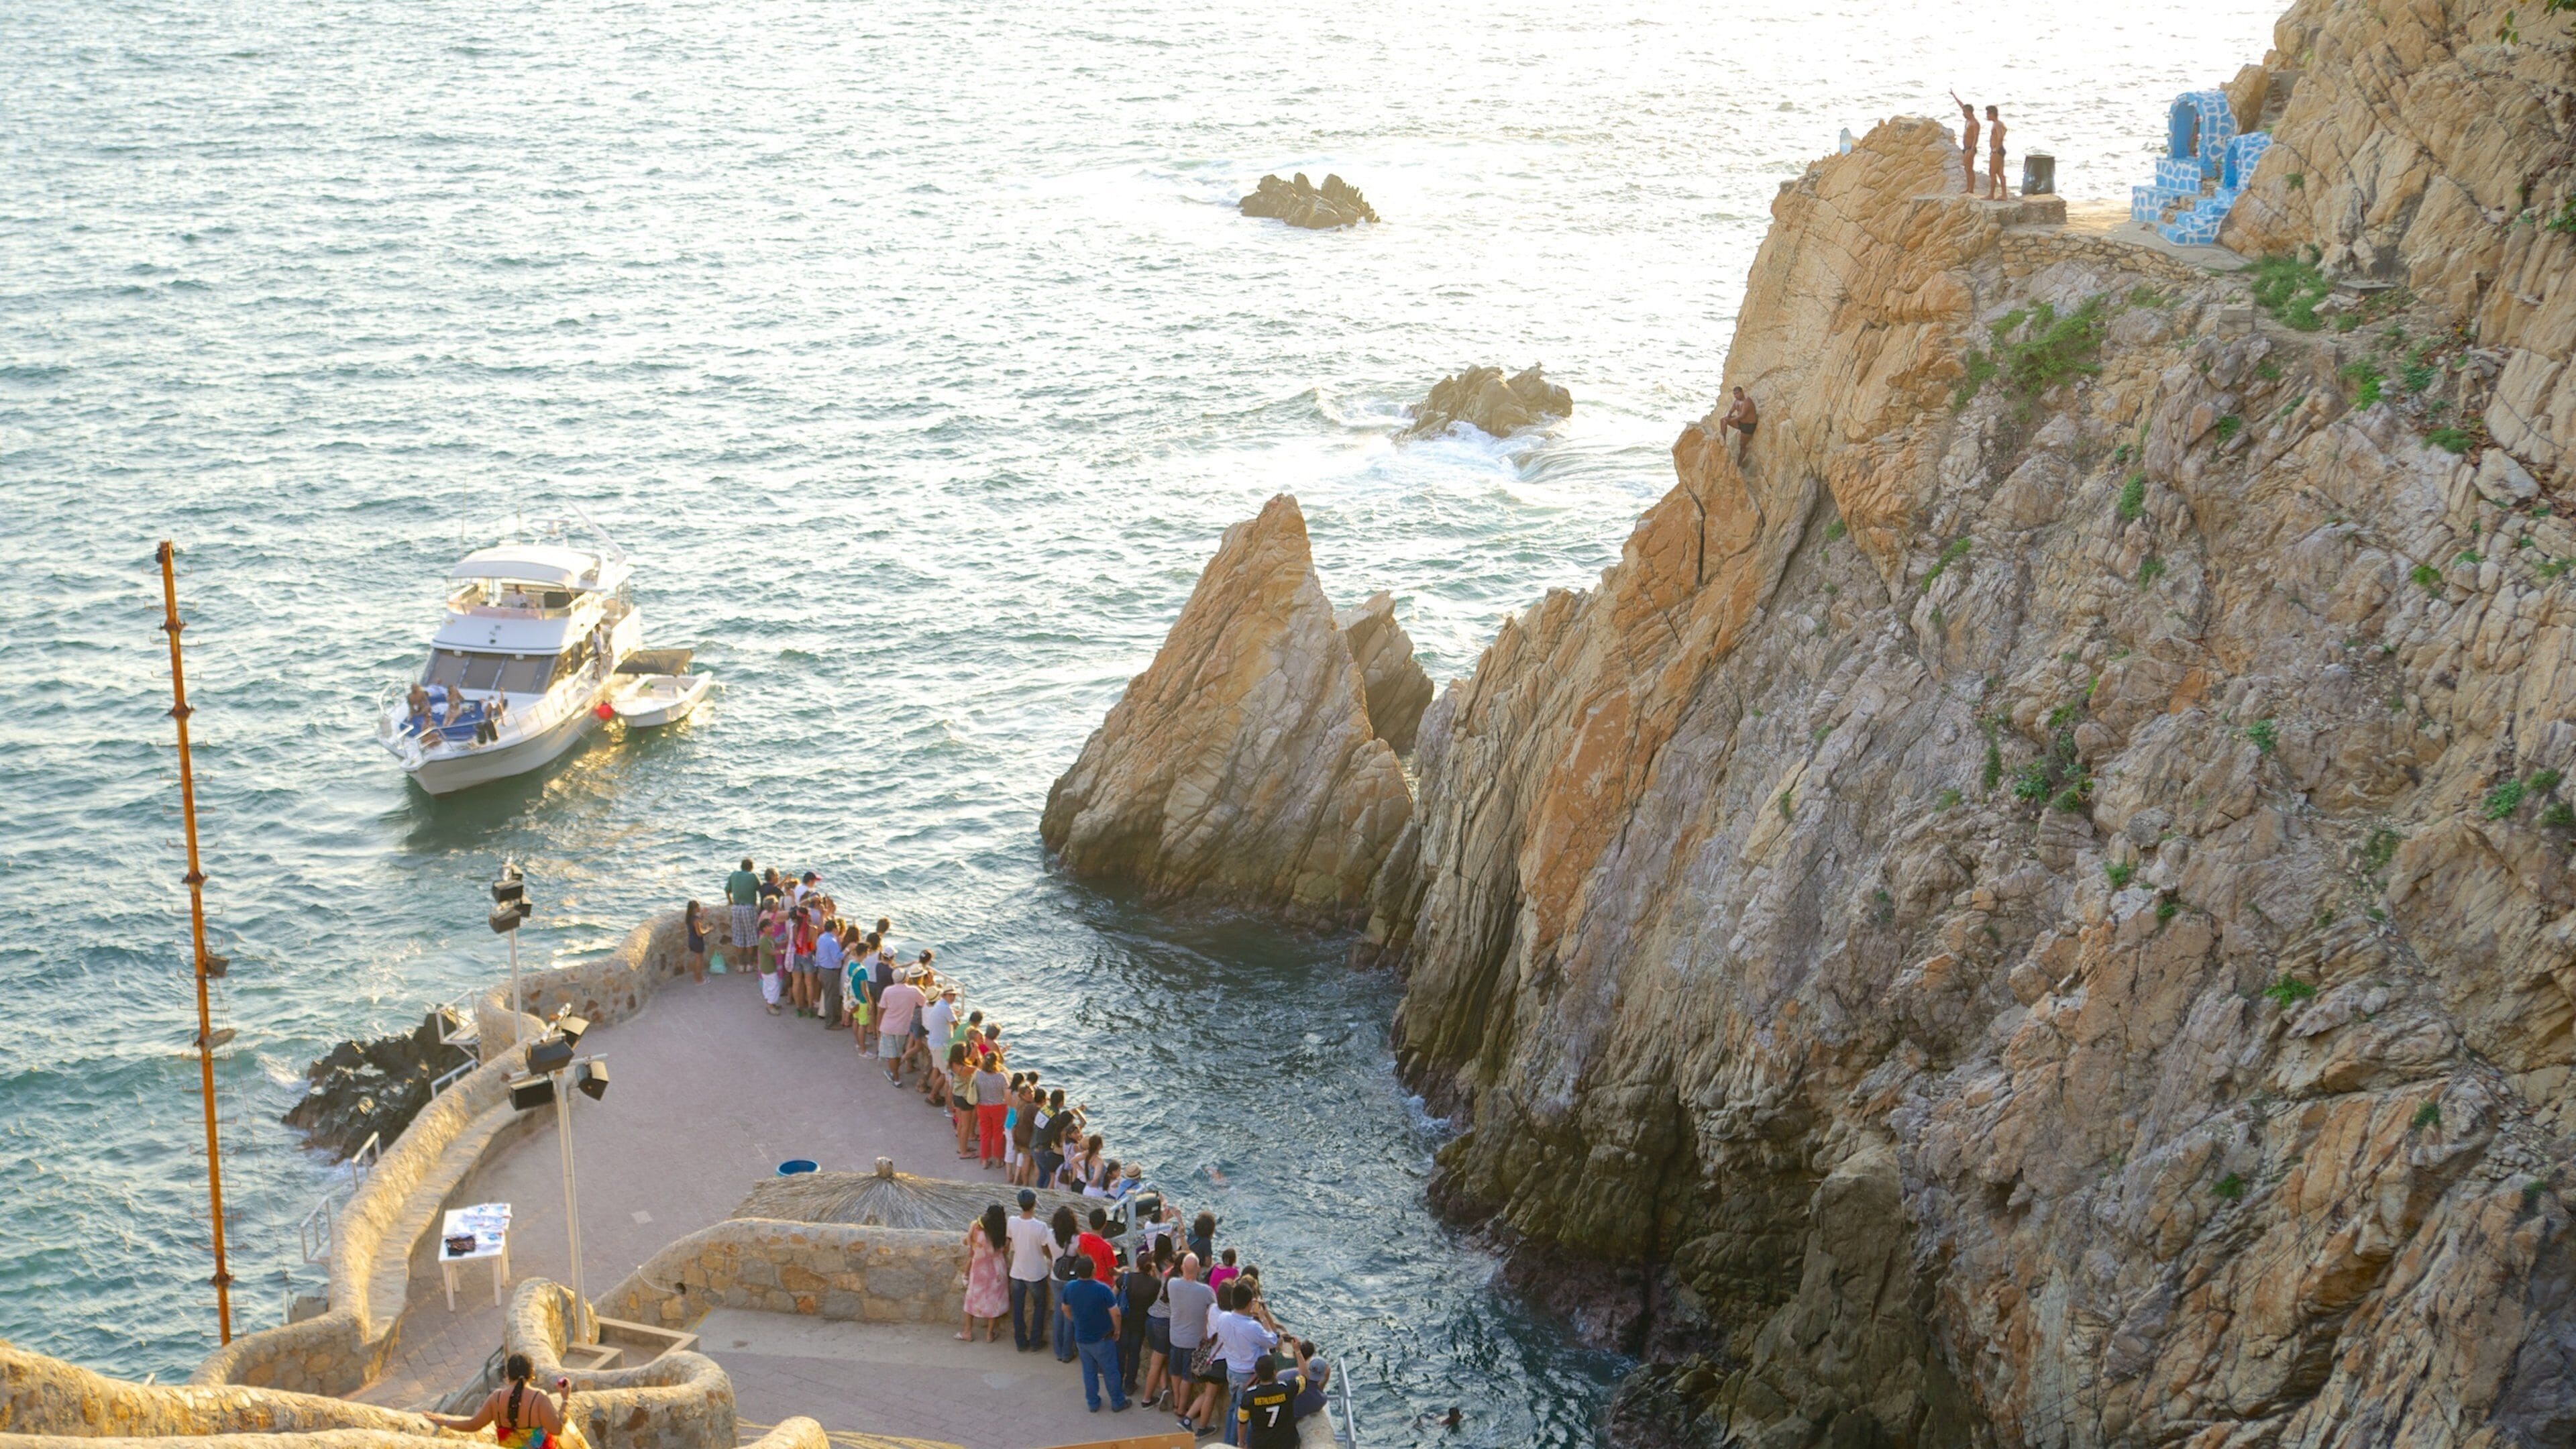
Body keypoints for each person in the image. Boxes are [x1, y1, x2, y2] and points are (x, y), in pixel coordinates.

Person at [423, 1353, 566, 1447]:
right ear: (532, 1374)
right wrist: (565, 1400)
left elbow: (473, 1425)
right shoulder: (539, 1398)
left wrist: (445, 1421)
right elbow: (557, 1429)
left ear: (507, 1375)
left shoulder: (496, 1399)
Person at [1208, 1281, 1280, 1446]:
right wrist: (1263, 1315)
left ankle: (1227, 1442)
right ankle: (1234, 1445)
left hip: (1231, 1371)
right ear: (1250, 1304)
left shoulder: (1223, 1318)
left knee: (1233, 1409)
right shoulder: (1253, 1327)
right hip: (1248, 1376)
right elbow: (1274, 1340)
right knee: (1243, 1416)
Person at [1059, 1257, 1128, 1413]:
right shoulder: (1102, 1289)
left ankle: (1093, 1403)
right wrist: (1117, 1330)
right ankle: (1117, 1402)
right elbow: (1115, 1313)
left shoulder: (1070, 1287)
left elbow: (1065, 1308)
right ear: (1093, 1271)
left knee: (1089, 1371)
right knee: (1110, 1371)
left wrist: (1075, 1320)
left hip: (1082, 1338)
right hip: (1102, 1338)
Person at [1164, 1252, 1220, 1434]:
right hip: (1193, 1341)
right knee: (1187, 1376)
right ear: (1198, 1269)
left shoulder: (1172, 1285)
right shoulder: (1206, 1291)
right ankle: (1181, 1409)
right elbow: (1216, 1308)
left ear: (1181, 1268)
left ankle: (1177, 1402)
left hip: (1175, 1337)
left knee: (1175, 1371)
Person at [1006, 1189, 1055, 1353]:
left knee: (1018, 1307)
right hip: (1036, 1272)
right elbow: (1046, 1249)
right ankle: (1035, 1341)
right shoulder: (1041, 1227)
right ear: (1034, 1204)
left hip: (1017, 1271)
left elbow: (1010, 1240)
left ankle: (1020, 1342)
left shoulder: (1012, 1221)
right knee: (1040, 1306)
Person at [960, 1203, 1010, 1342]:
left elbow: (967, 1242)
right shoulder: (1004, 1230)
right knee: (994, 1300)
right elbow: (1005, 1250)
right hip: (997, 1268)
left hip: (979, 1268)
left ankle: (967, 1332)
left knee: (972, 1299)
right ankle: (989, 1334)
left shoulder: (976, 1227)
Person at [1118, 1246, 1161, 1396]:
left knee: (1121, 1353)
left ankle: (1117, 1382)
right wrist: (1154, 1272)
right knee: (1134, 1354)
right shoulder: (1155, 1284)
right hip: (1140, 1323)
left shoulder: (1126, 1279)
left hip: (1124, 1320)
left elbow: (1113, 1294)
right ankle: (1129, 1385)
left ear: (1136, 1264)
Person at [1236, 1354, 1297, 1449]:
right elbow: (1305, 1378)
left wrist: (1241, 1444)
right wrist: (1298, 1352)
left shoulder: (1249, 1396)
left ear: (1257, 1374)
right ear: (1274, 1372)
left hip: (1260, 1444)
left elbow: (1242, 1423)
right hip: (1286, 1443)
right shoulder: (1288, 1388)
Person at [876, 971, 925, 1084]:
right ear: (906, 978)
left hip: (887, 1026)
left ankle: (896, 1079)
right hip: (903, 1027)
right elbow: (925, 1002)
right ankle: (894, 1073)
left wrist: (878, 1025)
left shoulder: (888, 991)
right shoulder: (913, 991)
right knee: (897, 1052)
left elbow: (881, 1010)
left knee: (891, 1054)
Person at [1048, 1205, 1083, 1361]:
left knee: (1058, 1314)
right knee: (1070, 1315)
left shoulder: (1050, 1235)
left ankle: (1058, 1350)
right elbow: (1083, 1258)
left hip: (1055, 1277)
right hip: (1071, 1280)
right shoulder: (1076, 1239)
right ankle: (1067, 1352)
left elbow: (1046, 1251)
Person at [974, 1053, 1012, 1169]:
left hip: (982, 1106)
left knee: (985, 1134)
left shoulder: (978, 1075)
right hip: (998, 1107)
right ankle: (998, 1160)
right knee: (998, 1134)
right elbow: (1007, 1093)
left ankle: (985, 1160)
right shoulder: (1001, 1077)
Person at [724, 859, 759, 969]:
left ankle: (740, 964)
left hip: (736, 908)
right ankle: (749, 964)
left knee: (738, 937)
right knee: (750, 936)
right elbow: (760, 889)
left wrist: (730, 902)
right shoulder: (753, 876)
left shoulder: (734, 875)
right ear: (751, 867)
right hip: (748, 908)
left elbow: (727, 890)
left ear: (741, 866)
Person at [811, 915, 844, 1026]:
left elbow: (819, 954)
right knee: (831, 996)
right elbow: (837, 958)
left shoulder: (822, 938)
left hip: (823, 969)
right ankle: (830, 1022)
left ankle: (831, 1018)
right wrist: (847, 950)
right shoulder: (832, 941)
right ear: (835, 929)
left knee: (828, 994)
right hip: (831, 971)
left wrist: (819, 969)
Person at [1076, 1208, 1119, 1287]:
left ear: (1089, 1222)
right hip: (1104, 1284)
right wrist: (1121, 1271)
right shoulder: (1106, 1247)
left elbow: (1078, 1250)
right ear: (1105, 1224)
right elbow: (1111, 1272)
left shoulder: (1082, 1237)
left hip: (1088, 1279)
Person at [1951, 91, 1979, 193]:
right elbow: (1961, 105)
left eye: (1965, 113)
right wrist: (1954, 96)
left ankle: (1971, 190)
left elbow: (1976, 137)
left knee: (1970, 169)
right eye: (1963, 112)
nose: (1963, 114)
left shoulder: (1975, 123)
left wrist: (1972, 150)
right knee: (1966, 168)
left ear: (1970, 112)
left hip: (1970, 148)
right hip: (1966, 148)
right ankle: (1968, 188)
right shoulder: (1968, 120)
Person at [1721, 386, 1757, 462]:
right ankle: (1723, 441)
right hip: (1740, 423)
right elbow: (1731, 411)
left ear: (1742, 392)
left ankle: (1739, 464)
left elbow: (1742, 415)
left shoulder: (1747, 402)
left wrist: (1730, 419)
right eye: (1734, 394)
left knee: (1742, 446)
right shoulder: (1736, 401)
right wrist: (1728, 417)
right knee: (1723, 420)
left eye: (1737, 393)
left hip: (1748, 426)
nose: (1735, 395)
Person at [682, 901, 708, 984]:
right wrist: (708, 929)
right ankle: (699, 980)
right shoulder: (696, 920)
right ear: (694, 909)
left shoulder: (690, 918)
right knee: (699, 961)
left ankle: (697, 977)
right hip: (697, 942)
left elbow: (697, 922)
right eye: (698, 907)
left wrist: (702, 914)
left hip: (691, 940)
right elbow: (700, 934)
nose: (699, 908)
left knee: (697, 960)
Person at [1986, 104, 2007, 200]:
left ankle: (1991, 194)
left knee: (1992, 172)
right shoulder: (2000, 123)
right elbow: (2005, 130)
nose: (1987, 116)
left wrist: (1995, 149)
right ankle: (2004, 195)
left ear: (1992, 114)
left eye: (1988, 114)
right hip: (2001, 150)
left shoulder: (1996, 124)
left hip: (1997, 151)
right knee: (2000, 173)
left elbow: (2000, 137)